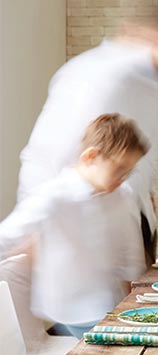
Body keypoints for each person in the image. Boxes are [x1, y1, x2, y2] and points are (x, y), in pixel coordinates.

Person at [17, 3, 158, 265]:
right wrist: (37, 225)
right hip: (82, 220)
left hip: (129, 212)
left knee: (135, 299)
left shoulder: (153, 84)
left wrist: (148, 197)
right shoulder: (105, 75)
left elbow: (142, 147)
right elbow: (54, 149)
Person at [0, 113, 149, 338]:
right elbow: (8, 234)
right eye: (118, 170)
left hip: (109, 305)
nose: (122, 179)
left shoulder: (122, 196)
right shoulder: (54, 195)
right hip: (72, 310)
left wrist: (132, 298)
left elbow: (130, 249)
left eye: (128, 172)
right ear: (90, 157)